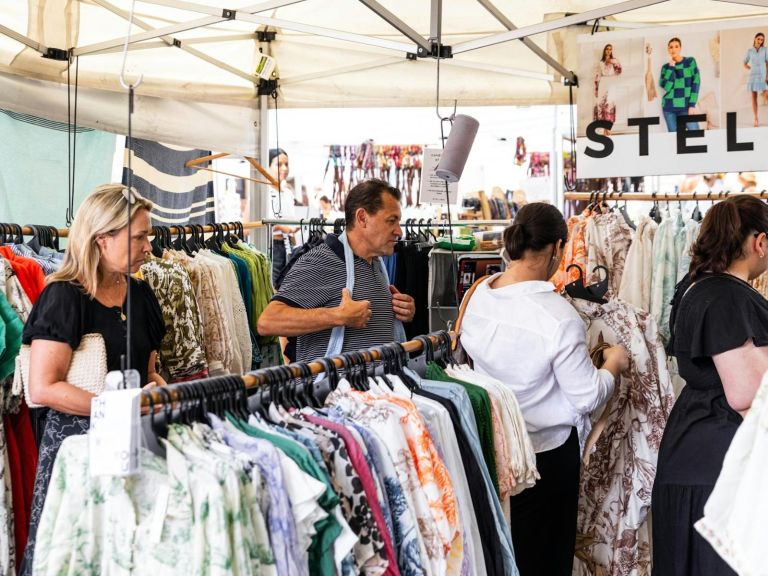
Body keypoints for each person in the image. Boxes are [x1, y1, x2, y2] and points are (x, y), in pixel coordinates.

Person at [459, 202, 629, 576]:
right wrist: (613, 365)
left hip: (494, 446)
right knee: (545, 558)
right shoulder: (557, 316)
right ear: (556, 249)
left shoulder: (478, 295)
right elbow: (586, 396)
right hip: (544, 458)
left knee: (505, 553)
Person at [19, 184, 166, 574]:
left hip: (134, 442)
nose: (149, 247)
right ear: (102, 238)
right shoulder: (65, 297)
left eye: (148, 236)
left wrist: (161, 391)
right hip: (78, 451)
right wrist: (121, 407)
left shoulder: (141, 295)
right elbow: (43, 387)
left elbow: (149, 370)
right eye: (139, 237)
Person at [652, 195, 768, 576]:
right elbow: (748, 393)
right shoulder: (723, 296)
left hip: (700, 455)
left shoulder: (701, 286)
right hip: (716, 464)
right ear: (760, 242)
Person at [257, 179, 416, 364]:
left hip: (377, 389)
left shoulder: (377, 262)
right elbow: (268, 322)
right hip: (333, 391)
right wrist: (338, 316)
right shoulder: (320, 261)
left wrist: (400, 311)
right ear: (362, 218)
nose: (399, 231)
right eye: (391, 221)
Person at [268, 147, 299, 286]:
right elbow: (262, 221)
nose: (284, 168)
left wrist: (293, 236)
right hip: (272, 246)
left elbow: (290, 219)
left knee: (289, 286)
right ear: (267, 166)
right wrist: (284, 228)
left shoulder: (287, 193)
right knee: (273, 287)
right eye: (279, 164)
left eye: (286, 164)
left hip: (288, 245)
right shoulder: (264, 192)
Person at [659, 37, 701, 132]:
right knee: (674, 139)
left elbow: (696, 82)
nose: (673, 49)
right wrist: (671, 68)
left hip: (686, 107)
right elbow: (666, 87)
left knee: (695, 133)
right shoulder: (665, 67)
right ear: (668, 49)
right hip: (669, 108)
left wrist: (692, 105)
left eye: (676, 46)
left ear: (680, 48)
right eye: (671, 47)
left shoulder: (690, 62)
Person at [593, 44, 623, 132]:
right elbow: (598, 75)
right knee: (602, 104)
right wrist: (596, 89)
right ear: (604, 50)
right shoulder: (600, 62)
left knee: (609, 104)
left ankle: (609, 128)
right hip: (603, 83)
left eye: (610, 49)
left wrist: (615, 63)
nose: (609, 51)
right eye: (607, 49)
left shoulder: (614, 60)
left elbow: (619, 72)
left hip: (611, 83)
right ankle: (604, 128)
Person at [743, 32, 768, 127]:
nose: (760, 41)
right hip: (753, 76)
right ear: (755, 38)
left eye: (762, 39)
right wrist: (751, 69)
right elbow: (744, 63)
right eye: (758, 39)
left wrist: (767, 75)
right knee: (754, 97)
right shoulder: (750, 51)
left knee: (767, 95)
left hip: (763, 75)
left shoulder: (765, 50)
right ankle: (756, 119)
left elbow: (767, 63)